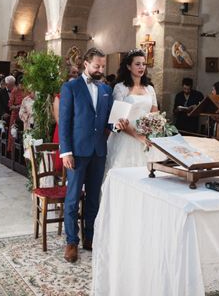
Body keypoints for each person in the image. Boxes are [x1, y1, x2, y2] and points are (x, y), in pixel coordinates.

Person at [59, 48, 113, 262]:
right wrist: (66, 151)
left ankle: (90, 237)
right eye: (97, 66)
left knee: (93, 198)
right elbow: (64, 122)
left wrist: (118, 125)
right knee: (72, 198)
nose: (100, 69)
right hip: (77, 152)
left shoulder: (106, 90)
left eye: (102, 66)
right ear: (86, 64)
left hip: (99, 151)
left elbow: (108, 120)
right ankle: (72, 241)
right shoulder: (70, 87)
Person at [105, 49, 157, 174]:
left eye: (143, 64)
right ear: (129, 66)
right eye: (137, 64)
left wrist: (151, 131)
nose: (141, 67)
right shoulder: (120, 88)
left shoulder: (149, 88)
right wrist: (138, 136)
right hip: (125, 136)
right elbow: (118, 118)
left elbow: (155, 112)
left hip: (145, 135)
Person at [7, 74, 24, 153]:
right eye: (21, 84)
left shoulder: (26, 91)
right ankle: (12, 151)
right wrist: (18, 107)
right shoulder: (15, 90)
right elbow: (10, 106)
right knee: (13, 133)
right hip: (15, 115)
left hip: (24, 115)